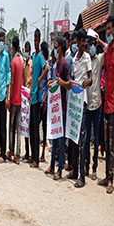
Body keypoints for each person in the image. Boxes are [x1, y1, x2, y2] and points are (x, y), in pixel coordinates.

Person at [95, 16, 114, 194]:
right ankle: (106, 175)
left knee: (112, 142)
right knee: (105, 140)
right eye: (107, 29)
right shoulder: (107, 52)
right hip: (105, 102)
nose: (108, 31)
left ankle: (111, 179)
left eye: (110, 28)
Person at [64, 30, 92, 187]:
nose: (80, 44)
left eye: (80, 42)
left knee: (82, 138)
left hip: (83, 101)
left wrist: (87, 82)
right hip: (74, 101)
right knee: (73, 136)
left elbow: (91, 78)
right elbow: (73, 79)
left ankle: (82, 174)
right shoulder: (74, 59)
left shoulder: (87, 58)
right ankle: (74, 169)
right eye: (78, 42)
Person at [45, 37, 70, 180]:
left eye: (56, 46)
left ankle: (59, 169)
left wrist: (62, 82)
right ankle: (52, 165)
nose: (54, 49)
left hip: (62, 108)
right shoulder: (55, 65)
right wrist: (51, 82)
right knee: (54, 137)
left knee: (60, 140)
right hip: (55, 107)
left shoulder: (65, 64)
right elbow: (56, 81)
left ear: (60, 47)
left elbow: (69, 84)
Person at [82, 30, 104, 181]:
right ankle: (86, 165)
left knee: (96, 139)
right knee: (86, 138)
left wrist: (100, 40)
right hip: (86, 104)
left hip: (97, 104)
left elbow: (109, 48)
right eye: (90, 44)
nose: (91, 47)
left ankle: (95, 167)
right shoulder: (85, 61)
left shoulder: (100, 59)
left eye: (93, 44)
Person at [28, 29, 45, 168]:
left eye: (37, 39)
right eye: (34, 39)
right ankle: (32, 156)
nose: (35, 42)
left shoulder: (39, 57)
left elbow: (46, 68)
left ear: (39, 40)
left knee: (35, 128)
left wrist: (39, 79)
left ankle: (36, 159)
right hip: (32, 96)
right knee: (31, 127)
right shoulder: (34, 56)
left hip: (38, 96)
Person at [7, 36, 23, 164]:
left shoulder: (14, 61)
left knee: (11, 126)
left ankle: (11, 150)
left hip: (14, 99)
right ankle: (18, 153)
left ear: (13, 46)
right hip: (21, 99)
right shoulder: (21, 61)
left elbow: (12, 81)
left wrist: (9, 98)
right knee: (18, 128)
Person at [0, 31, 11, 163]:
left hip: (4, 95)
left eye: (2, 40)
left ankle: (3, 153)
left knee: (3, 125)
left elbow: (7, 76)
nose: (1, 43)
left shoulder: (6, 56)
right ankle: (0, 151)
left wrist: (7, 96)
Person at [22, 41, 33, 162]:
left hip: (30, 96)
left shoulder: (31, 63)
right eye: (25, 49)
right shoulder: (24, 63)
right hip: (24, 97)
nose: (26, 51)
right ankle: (26, 151)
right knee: (25, 125)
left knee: (30, 126)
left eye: (27, 49)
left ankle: (30, 152)